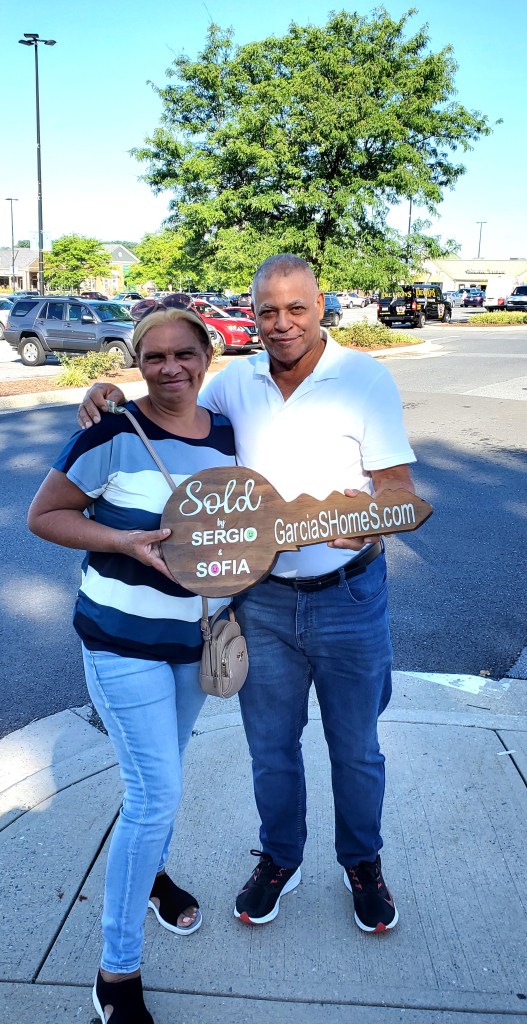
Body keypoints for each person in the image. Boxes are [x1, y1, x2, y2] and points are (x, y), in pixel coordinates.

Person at [78, 254, 416, 936]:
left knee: (355, 747)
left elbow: (399, 490)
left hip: (348, 596)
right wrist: (105, 392)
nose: (282, 323)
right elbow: (169, 406)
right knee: (270, 746)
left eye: (296, 308)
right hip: (259, 599)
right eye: (267, 311)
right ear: (252, 315)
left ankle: (361, 863)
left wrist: (373, 517)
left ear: (320, 305)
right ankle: (279, 859)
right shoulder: (235, 382)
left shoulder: (364, 379)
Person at [28, 300, 236, 1024]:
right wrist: (123, 541)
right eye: (154, 356)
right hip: (121, 643)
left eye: (184, 354)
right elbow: (44, 515)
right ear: (136, 362)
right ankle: (116, 973)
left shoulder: (229, 436)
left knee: (162, 780)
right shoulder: (111, 433)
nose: (170, 368)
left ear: (206, 358)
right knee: (155, 794)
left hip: (194, 641)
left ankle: (152, 876)